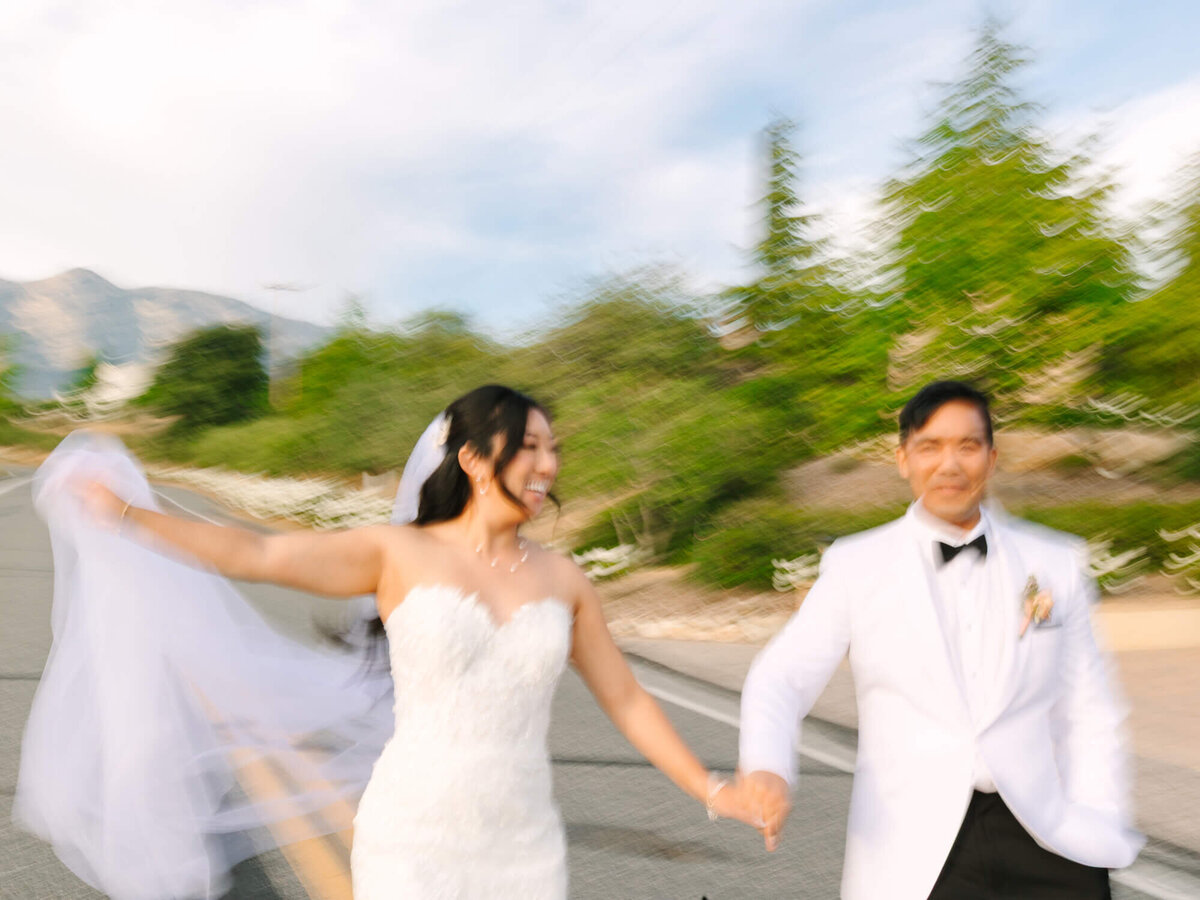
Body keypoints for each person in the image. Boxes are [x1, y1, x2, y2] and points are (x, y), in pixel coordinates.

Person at [43, 384, 762, 899]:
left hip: (525, 843)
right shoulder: (397, 554)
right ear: (474, 459)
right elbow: (256, 554)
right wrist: (127, 514)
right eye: (529, 447)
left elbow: (628, 699)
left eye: (553, 449)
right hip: (413, 835)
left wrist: (712, 789)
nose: (548, 465)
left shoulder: (565, 579)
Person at [737, 380, 1143, 899]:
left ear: (991, 458)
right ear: (903, 458)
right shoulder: (857, 564)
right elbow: (781, 677)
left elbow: (1088, 707)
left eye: (967, 446)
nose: (949, 465)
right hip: (916, 848)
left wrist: (1097, 818)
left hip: (1048, 833)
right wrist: (767, 766)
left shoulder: (1055, 561)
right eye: (930, 446)